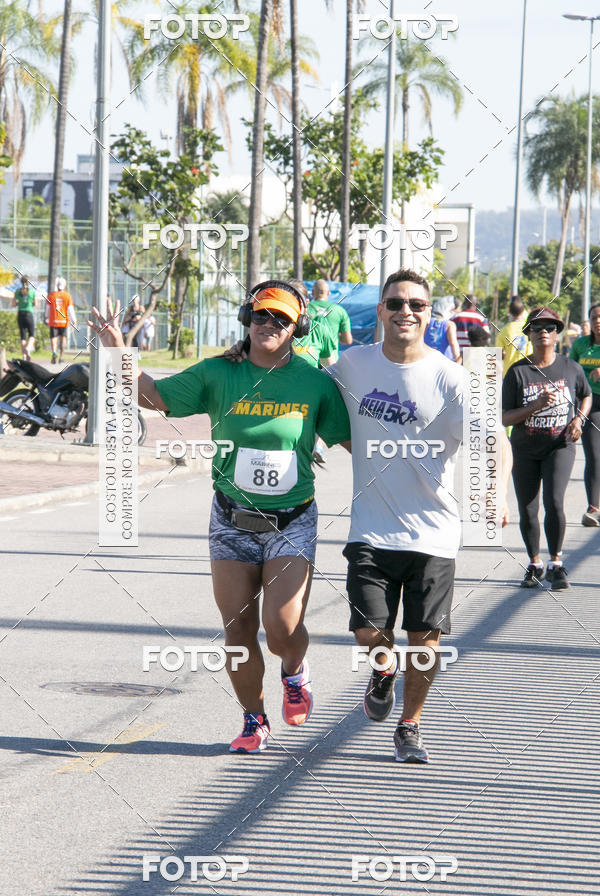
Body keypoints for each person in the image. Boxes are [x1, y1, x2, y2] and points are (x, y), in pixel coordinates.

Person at [89, 281, 351, 754]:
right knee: (237, 631)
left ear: (298, 328)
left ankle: (294, 672)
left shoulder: (314, 382)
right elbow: (152, 396)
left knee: (282, 628)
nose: (268, 325)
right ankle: (255, 720)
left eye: (281, 319)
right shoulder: (217, 373)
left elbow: (353, 442)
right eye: (261, 316)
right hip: (231, 520)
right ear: (246, 320)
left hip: (291, 521)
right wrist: (118, 353)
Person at [329, 268, 468, 763]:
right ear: (382, 310)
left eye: (416, 304)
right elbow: (310, 394)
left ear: (430, 314)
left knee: (425, 640)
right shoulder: (351, 365)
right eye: (395, 303)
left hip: (434, 532)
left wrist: (497, 497)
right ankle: (383, 669)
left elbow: (491, 442)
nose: (405, 311)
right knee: (369, 631)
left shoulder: (451, 378)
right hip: (371, 527)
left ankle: (410, 725)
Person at [502, 307, 592, 590]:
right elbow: (504, 417)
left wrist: (579, 418)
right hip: (525, 448)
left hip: (559, 446)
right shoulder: (518, 372)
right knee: (528, 509)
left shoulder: (570, 368)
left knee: (554, 503)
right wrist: (535, 406)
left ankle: (556, 563)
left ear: (557, 334)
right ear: (528, 333)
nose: (544, 331)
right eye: (537, 327)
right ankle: (534, 563)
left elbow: (586, 395)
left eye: (550, 327)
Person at [570, 303, 600, 526]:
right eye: (594, 317)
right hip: (590, 405)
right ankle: (594, 507)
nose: (598, 321)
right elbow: (569, 370)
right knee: (594, 456)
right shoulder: (581, 345)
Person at [307, 279, 353, 363]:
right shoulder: (340, 310)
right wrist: (336, 335)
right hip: (331, 361)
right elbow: (347, 340)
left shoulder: (305, 309)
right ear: (328, 293)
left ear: (313, 293)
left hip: (309, 360)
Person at [497, 296, 531, 375]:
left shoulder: (503, 331)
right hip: (526, 371)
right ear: (523, 311)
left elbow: (499, 354)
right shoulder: (529, 329)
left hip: (509, 372)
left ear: (509, 312)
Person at [45, 277, 75, 364]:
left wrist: (46, 317)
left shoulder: (51, 295)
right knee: (63, 339)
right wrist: (74, 320)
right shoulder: (67, 296)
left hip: (53, 321)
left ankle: (54, 352)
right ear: (64, 285)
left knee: (53, 338)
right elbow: (70, 309)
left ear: (57, 285)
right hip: (64, 322)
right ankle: (61, 356)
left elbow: (47, 308)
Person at [424, 296, 461, 362]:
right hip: (445, 362)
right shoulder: (449, 324)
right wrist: (458, 360)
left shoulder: (426, 322)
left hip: (427, 361)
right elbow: (453, 343)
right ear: (449, 309)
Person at [13, 275, 37, 361]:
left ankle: (24, 356)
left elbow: (14, 304)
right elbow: (35, 304)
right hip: (29, 314)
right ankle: (28, 348)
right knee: (32, 335)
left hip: (20, 314)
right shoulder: (32, 292)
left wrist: (20, 302)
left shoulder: (17, 291)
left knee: (23, 337)